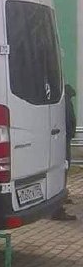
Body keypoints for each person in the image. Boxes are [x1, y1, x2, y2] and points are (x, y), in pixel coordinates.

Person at [52, 84, 77, 220]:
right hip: (63, 139)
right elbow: (68, 120)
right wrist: (69, 133)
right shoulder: (65, 101)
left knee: (65, 168)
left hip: (64, 138)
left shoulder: (65, 100)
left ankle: (62, 196)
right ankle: (58, 207)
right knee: (64, 168)